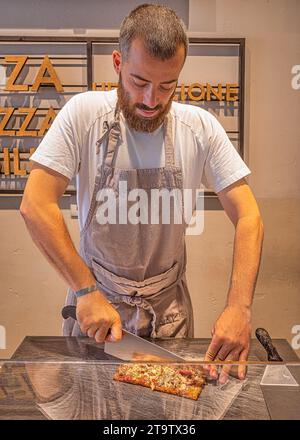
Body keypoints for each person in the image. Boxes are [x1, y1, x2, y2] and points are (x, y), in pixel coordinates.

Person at [20, 4, 264, 384]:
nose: (152, 100)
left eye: (167, 85)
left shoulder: (199, 127)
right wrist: (85, 291)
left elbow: (249, 216)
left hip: (168, 313)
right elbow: (35, 204)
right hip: (98, 313)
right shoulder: (83, 116)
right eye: (139, 82)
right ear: (118, 62)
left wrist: (239, 307)